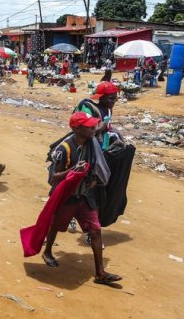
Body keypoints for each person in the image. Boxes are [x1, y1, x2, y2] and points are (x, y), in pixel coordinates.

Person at [41, 112, 122, 285]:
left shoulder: (91, 144)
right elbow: (54, 177)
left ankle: (100, 273)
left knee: (95, 230)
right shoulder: (64, 149)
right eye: (89, 126)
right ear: (76, 129)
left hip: (84, 195)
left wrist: (92, 180)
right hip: (67, 197)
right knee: (56, 225)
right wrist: (71, 172)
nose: (94, 128)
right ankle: (47, 251)